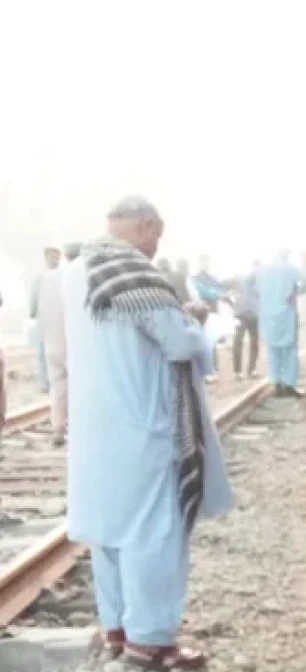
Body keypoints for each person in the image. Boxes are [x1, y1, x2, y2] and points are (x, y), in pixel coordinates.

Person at [65, 196, 232, 669]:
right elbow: (178, 343)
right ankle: (150, 643)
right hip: (145, 428)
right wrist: (196, 322)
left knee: (109, 534)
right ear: (144, 225)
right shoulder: (133, 272)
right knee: (153, 535)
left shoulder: (79, 271)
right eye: (156, 234)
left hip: (97, 429)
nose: (157, 246)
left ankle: (117, 630)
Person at [40, 242, 81, 445]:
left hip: (51, 340)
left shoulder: (47, 278)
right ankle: (78, 428)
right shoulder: (77, 276)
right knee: (80, 384)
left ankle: (58, 429)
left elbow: (36, 311)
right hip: (72, 341)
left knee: (57, 385)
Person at [254, 250, 306, 397]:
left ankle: (276, 384)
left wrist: (261, 297)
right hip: (286, 311)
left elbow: (248, 283)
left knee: (272, 349)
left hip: (267, 313)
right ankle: (289, 385)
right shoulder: (290, 267)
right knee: (289, 350)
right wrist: (296, 292)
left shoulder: (262, 269)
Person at [29, 246, 61, 394]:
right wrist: (33, 312)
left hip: (58, 317)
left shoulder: (63, 274)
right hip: (44, 318)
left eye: (55, 256)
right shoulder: (40, 276)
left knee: (55, 351)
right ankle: (44, 384)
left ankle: (51, 382)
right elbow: (34, 297)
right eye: (50, 256)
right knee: (43, 351)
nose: (53, 259)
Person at [231, 261, 260, 379]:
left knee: (239, 341)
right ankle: (250, 370)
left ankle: (239, 372)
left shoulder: (240, 277)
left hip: (243, 313)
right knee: (252, 342)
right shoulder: (257, 278)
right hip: (251, 313)